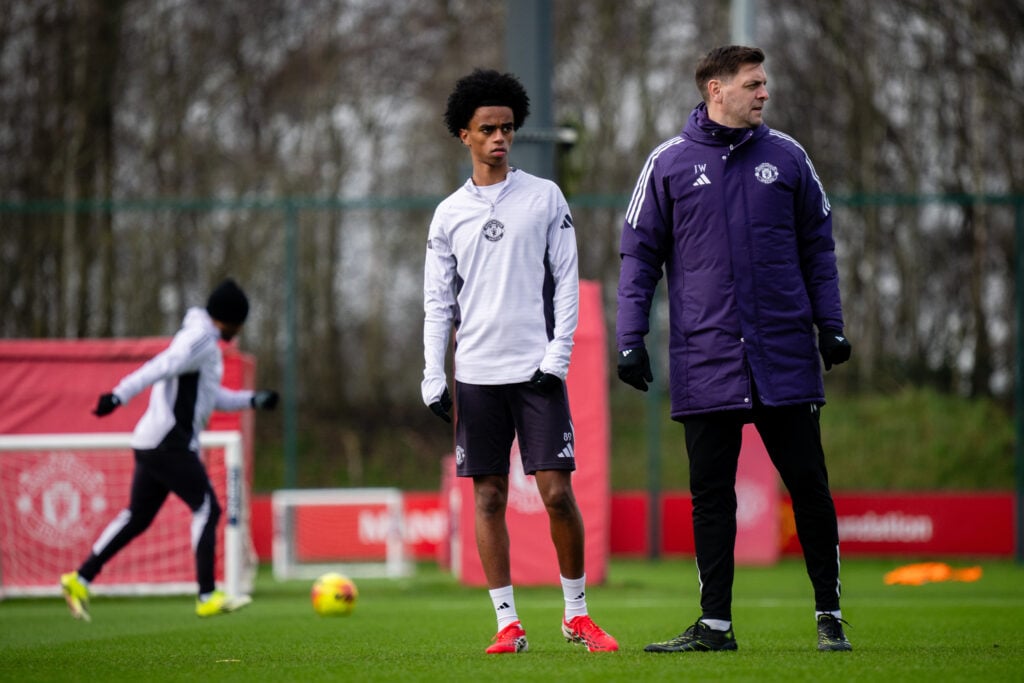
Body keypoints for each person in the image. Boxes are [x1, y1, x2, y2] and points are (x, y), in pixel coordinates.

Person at [616, 46, 853, 653]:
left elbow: (819, 248)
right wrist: (630, 339)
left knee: (809, 487)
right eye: (753, 84)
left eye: (764, 83)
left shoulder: (789, 157)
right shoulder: (668, 163)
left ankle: (830, 616)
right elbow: (638, 257)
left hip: (784, 356)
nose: (764, 93)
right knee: (711, 497)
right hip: (706, 359)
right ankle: (715, 626)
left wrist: (830, 325)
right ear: (715, 89)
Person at [422, 68, 617, 654]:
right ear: (465, 135)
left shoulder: (544, 197)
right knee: (488, 498)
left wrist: (558, 355)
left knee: (557, 493)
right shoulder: (448, 213)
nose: (499, 138)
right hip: (476, 376)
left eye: (507, 128)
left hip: (536, 373)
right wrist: (433, 374)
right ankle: (508, 623)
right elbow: (437, 302)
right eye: (487, 129)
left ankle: (576, 614)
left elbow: (566, 281)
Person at [59, 278, 279, 620]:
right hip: (169, 443)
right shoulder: (201, 340)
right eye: (240, 323)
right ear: (231, 319)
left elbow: (212, 398)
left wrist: (252, 400)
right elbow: (160, 366)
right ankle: (207, 595)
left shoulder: (204, 341)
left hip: (154, 442)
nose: (240, 330)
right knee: (207, 508)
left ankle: (80, 578)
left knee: (137, 518)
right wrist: (119, 395)